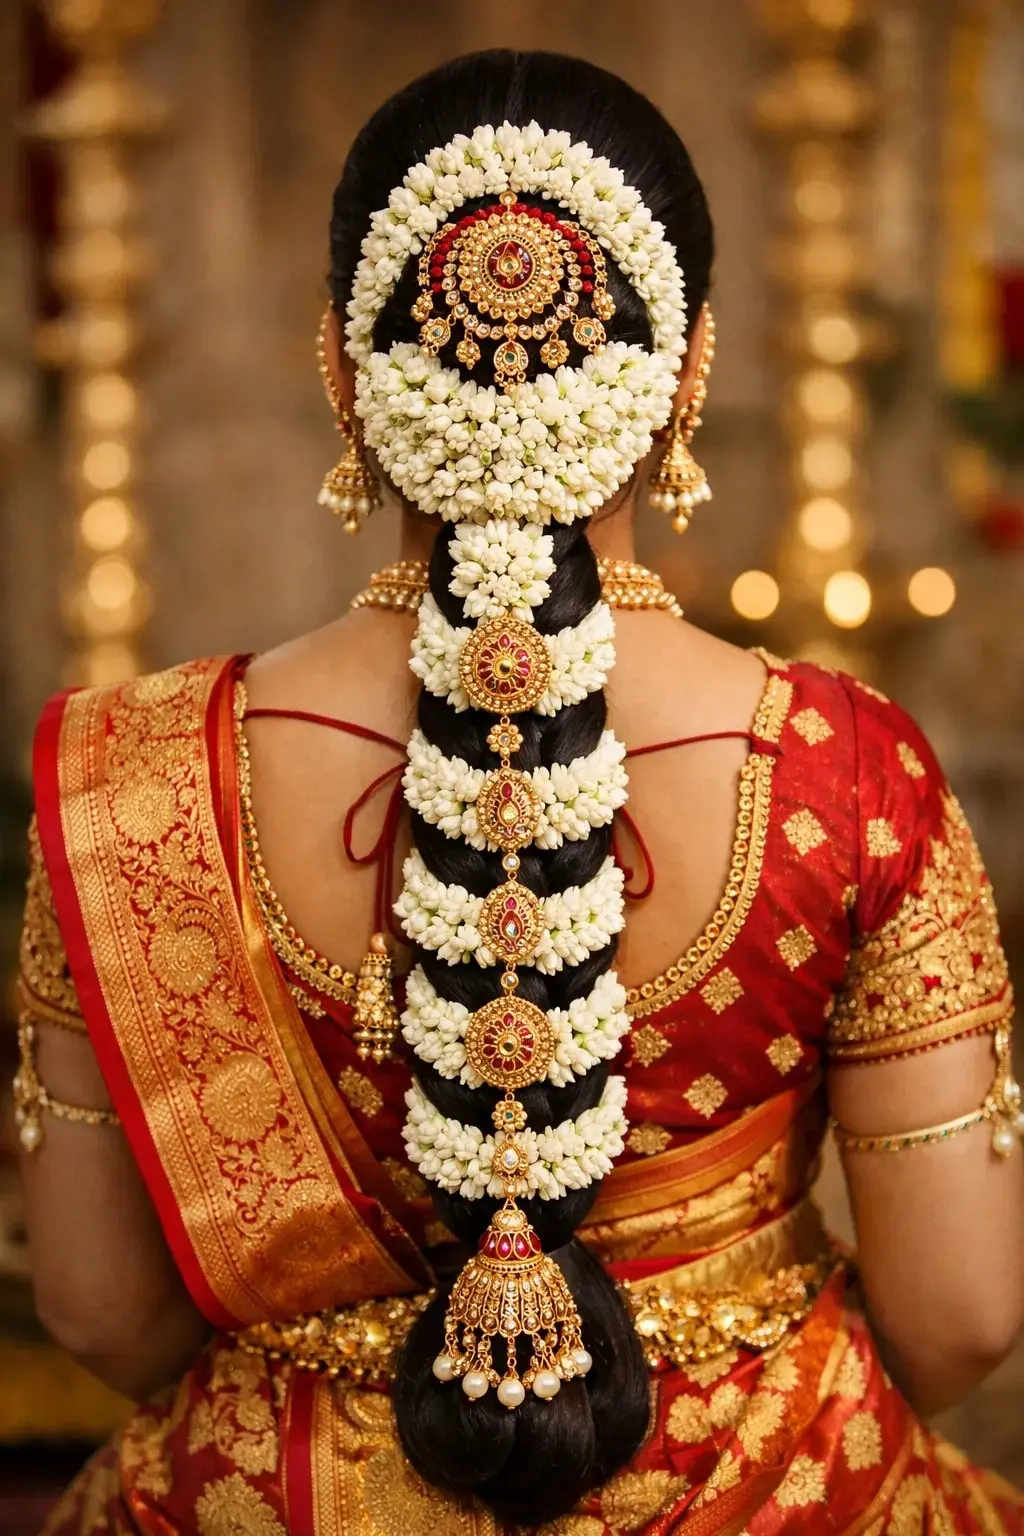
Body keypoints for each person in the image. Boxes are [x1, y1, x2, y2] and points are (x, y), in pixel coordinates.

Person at [14, 49, 1024, 1536]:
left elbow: (102, 1313)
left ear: (344, 372)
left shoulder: (144, 777)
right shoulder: (845, 771)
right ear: (686, 373)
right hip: (770, 1488)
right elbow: (962, 1317)